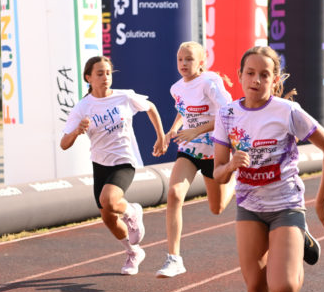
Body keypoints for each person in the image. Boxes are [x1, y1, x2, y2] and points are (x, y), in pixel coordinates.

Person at [213, 46, 324, 292]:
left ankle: (300, 238)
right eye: (250, 73)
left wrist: (321, 201)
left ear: (275, 79)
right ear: (239, 76)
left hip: (286, 204)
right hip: (249, 207)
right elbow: (218, 173)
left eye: (264, 75)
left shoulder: (288, 112)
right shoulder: (226, 114)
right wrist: (230, 165)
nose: (256, 80)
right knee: (255, 290)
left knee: (283, 289)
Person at [60, 56, 166, 275]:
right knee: (108, 217)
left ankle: (132, 211)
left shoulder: (124, 96)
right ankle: (133, 252)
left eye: (108, 73)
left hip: (124, 160)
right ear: (88, 78)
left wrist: (161, 137)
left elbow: (151, 107)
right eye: (100, 74)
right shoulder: (83, 107)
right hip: (100, 164)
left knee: (109, 200)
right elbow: (64, 144)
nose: (105, 77)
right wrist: (77, 131)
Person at [155, 41, 236, 278]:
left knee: (217, 208)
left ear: (202, 62)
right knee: (174, 194)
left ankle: (235, 177)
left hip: (215, 150)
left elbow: (227, 113)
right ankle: (174, 258)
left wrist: (198, 130)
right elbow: (184, 110)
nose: (183, 64)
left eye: (189, 59)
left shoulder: (210, 82)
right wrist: (172, 131)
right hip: (189, 149)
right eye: (180, 59)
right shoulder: (176, 88)